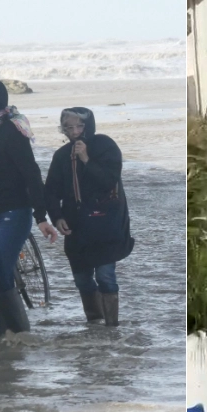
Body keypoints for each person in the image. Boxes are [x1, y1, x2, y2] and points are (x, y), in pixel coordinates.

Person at [0, 80, 59, 336]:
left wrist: (41, 216)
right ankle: (1, 336)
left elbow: (31, 173)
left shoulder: (12, 131)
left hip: (14, 212)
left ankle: (20, 332)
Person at [44, 107, 134, 326]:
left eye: (79, 126)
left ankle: (112, 326)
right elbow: (51, 191)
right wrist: (56, 217)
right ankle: (94, 322)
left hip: (107, 223)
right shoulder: (61, 156)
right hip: (76, 226)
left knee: (105, 275)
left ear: (88, 126)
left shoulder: (105, 146)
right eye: (68, 127)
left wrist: (86, 159)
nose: (74, 132)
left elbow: (109, 180)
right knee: (82, 279)